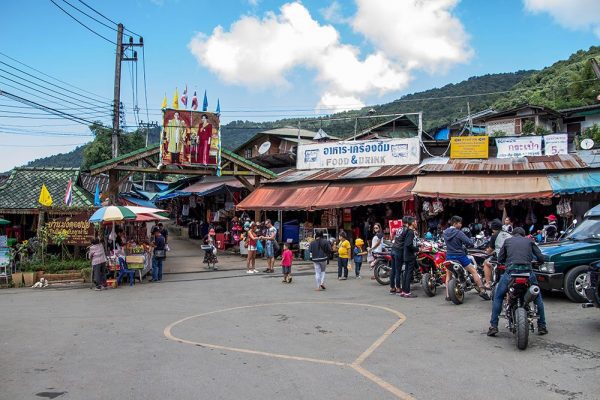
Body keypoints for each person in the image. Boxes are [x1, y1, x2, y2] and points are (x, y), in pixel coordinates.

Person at [487, 227, 548, 336]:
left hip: (511, 273)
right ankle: (542, 326)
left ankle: (493, 326)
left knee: (498, 296)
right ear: (524, 235)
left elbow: (500, 259)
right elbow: (541, 258)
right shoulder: (530, 241)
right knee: (537, 296)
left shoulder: (507, 241)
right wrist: (538, 262)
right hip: (528, 273)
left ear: (513, 234)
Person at [443, 216, 489, 301]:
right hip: (460, 256)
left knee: (448, 276)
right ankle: (482, 291)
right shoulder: (458, 232)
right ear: (455, 223)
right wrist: (471, 242)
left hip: (449, 256)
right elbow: (469, 242)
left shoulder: (445, 232)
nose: (461, 225)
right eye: (459, 223)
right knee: (474, 271)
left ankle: (448, 295)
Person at [483, 219, 512, 289]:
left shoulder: (495, 235)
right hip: (510, 257)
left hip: (500, 258)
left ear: (493, 228)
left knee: (486, 263)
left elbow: (490, 250)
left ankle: (488, 283)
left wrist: (486, 252)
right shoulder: (509, 234)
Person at [401, 216, 418, 298]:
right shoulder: (411, 232)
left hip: (406, 254)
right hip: (410, 255)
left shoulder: (407, 231)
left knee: (406, 273)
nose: (416, 223)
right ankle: (407, 292)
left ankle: (403, 291)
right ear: (412, 223)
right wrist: (417, 249)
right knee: (408, 273)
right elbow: (409, 245)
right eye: (415, 222)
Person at [389, 218, 407, 294]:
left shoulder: (399, 229)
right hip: (399, 251)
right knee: (398, 270)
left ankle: (392, 287)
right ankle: (398, 287)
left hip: (393, 249)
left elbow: (392, 236)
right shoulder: (406, 230)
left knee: (393, 269)